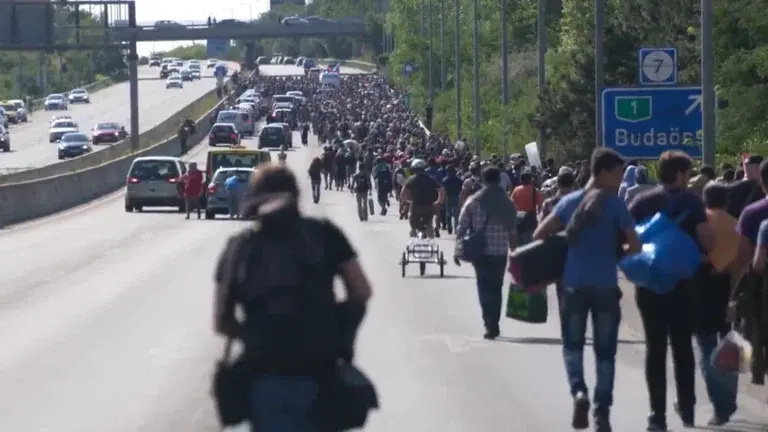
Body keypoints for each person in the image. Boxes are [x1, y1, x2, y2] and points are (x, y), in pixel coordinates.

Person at [213, 164, 373, 430]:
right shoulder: (323, 233)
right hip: (319, 368)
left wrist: (256, 333)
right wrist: (333, 325)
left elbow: (221, 320)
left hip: (263, 372)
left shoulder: (240, 245)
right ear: (296, 196)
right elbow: (361, 291)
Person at [534, 148, 641, 432]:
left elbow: (539, 234)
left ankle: (579, 393)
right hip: (606, 286)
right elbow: (636, 244)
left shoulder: (569, 202)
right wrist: (618, 256)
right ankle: (602, 411)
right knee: (605, 353)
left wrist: (561, 254)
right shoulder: (615, 206)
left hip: (573, 285)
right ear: (604, 171)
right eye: (617, 173)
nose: (620, 180)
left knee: (572, 347)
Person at [628, 151, 715, 430]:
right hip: (683, 284)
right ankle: (687, 409)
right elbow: (708, 241)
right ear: (679, 174)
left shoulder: (641, 201)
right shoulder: (692, 201)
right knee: (682, 346)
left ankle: (657, 415)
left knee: (655, 347)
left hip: (650, 283)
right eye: (688, 174)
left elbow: (627, 240)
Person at [694, 182, 739, 426]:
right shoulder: (736, 224)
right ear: (727, 202)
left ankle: (720, 407)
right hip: (730, 288)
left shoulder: (699, 224)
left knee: (706, 346)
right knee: (730, 347)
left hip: (702, 288)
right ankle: (729, 400)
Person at [455, 166, 517, 340]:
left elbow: (461, 227)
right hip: (500, 252)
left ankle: (489, 322)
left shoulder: (473, 201)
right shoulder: (507, 203)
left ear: (482, 180)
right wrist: (515, 252)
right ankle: (494, 322)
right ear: (499, 180)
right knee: (496, 287)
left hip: (479, 251)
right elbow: (512, 232)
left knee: (483, 286)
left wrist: (458, 249)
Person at [735, 159, 768, 387]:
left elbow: (745, 257)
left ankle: (757, 363)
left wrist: (733, 290)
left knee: (756, 323)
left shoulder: (752, 213)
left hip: (760, 281)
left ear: (762, 183)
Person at [401, 159, 445, 238]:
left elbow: (403, 192)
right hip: (429, 206)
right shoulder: (430, 179)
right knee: (429, 224)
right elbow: (441, 189)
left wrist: (405, 201)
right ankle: (431, 240)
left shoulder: (411, 179)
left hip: (415, 206)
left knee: (412, 221)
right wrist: (439, 202)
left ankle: (413, 233)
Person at [442, 165, 463, 234]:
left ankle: (449, 227)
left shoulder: (445, 180)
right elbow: (461, 190)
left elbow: (444, 191)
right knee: (457, 214)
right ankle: (456, 228)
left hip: (448, 197)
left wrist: (443, 199)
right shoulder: (459, 179)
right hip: (457, 197)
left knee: (448, 213)